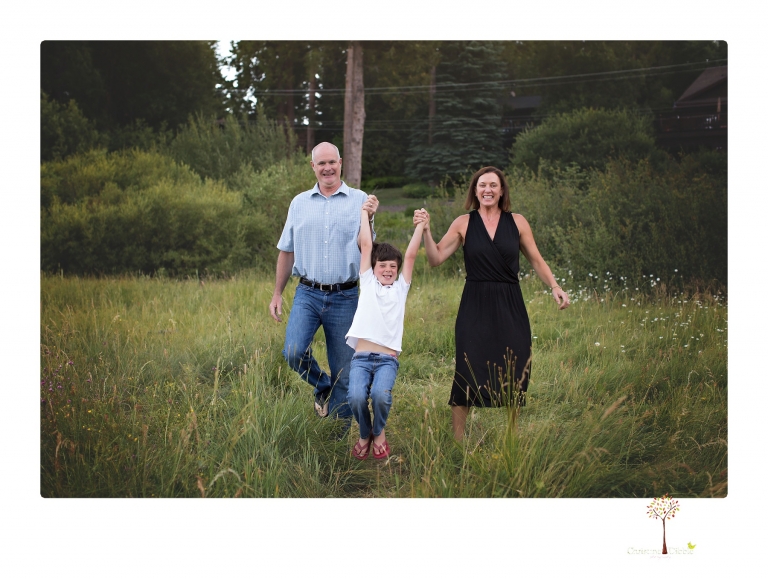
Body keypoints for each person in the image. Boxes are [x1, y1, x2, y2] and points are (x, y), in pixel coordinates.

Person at [415, 166, 569, 440]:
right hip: (474, 305)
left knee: (515, 366)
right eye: (482, 185)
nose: (487, 190)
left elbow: (536, 259)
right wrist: (426, 231)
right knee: (467, 368)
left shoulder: (518, 222)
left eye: (493, 185)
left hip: (510, 304)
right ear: (475, 190)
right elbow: (435, 258)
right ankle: (458, 442)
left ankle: (511, 437)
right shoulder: (463, 223)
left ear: (501, 191)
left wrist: (554, 286)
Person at [269, 142, 378, 425]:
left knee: (345, 370)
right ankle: (322, 385)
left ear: (341, 162)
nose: (327, 168)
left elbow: (365, 246)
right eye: (321, 163)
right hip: (308, 292)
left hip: (346, 296)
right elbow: (286, 250)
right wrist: (277, 293)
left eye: (332, 162)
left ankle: (336, 438)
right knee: (293, 352)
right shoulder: (299, 203)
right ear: (313, 166)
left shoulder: (359, 200)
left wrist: (370, 217)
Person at [344, 205, 425, 460]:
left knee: (380, 396)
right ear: (374, 267)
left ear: (398, 269)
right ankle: (364, 432)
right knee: (356, 397)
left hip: (387, 360)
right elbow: (366, 246)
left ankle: (378, 432)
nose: (388, 270)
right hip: (361, 358)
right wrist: (364, 214)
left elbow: (411, 256)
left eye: (392, 266)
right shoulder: (367, 283)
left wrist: (421, 225)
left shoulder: (400, 289)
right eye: (382, 265)